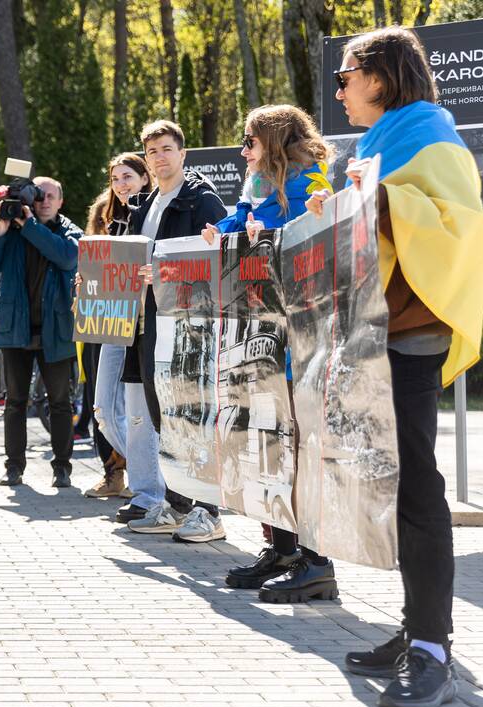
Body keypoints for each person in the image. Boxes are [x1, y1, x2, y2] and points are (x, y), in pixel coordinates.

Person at [306, 27, 483, 707]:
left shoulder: (433, 137)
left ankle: (434, 651)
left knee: (416, 486)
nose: (340, 87)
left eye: (347, 75)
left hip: (409, 335)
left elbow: (458, 228)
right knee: (396, 483)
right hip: (375, 335)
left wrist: (378, 202)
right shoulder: (380, 142)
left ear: (382, 76)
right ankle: (417, 629)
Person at [199, 104, 338, 602]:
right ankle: (280, 547)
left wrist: (265, 236)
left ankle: (316, 560)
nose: (242, 151)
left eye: (250, 142)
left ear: (274, 142)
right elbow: (243, 221)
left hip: (297, 335)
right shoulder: (257, 184)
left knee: (298, 450)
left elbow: (308, 240)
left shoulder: (312, 184)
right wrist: (225, 232)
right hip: (259, 329)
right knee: (267, 444)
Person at [121, 119, 228, 542]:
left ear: (183, 154)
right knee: (164, 414)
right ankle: (179, 504)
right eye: (152, 151)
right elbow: (131, 262)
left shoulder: (202, 201)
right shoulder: (146, 207)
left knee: (194, 413)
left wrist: (161, 276)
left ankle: (210, 511)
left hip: (188, 325)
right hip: (149, 326)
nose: (160, 157)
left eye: (167, 149)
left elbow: (217, 257)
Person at [0, 176, 81, 488]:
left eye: (52, 196)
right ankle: (14, 467)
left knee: (60, 402)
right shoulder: (12, 232)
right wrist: (0, 230)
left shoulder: (70, 232)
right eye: (39, 196)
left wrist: (30, 226)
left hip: (56, 329)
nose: (45, 201)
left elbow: (66, 257)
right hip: (15, 330)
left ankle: (62, 467)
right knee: (15, 401)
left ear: (61, 202)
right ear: (30, 199)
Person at [80, 152, 155, 499]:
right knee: (104, 410)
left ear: (144, 177)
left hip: (146, 322)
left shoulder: (154, 211)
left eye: (128, 176)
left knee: (138, 410)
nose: (122, 184)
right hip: (109, 320)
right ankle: (144, 472)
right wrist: (83, 284)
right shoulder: (104, 215)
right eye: (115, 178)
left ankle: (154, 481)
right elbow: (93, 266)